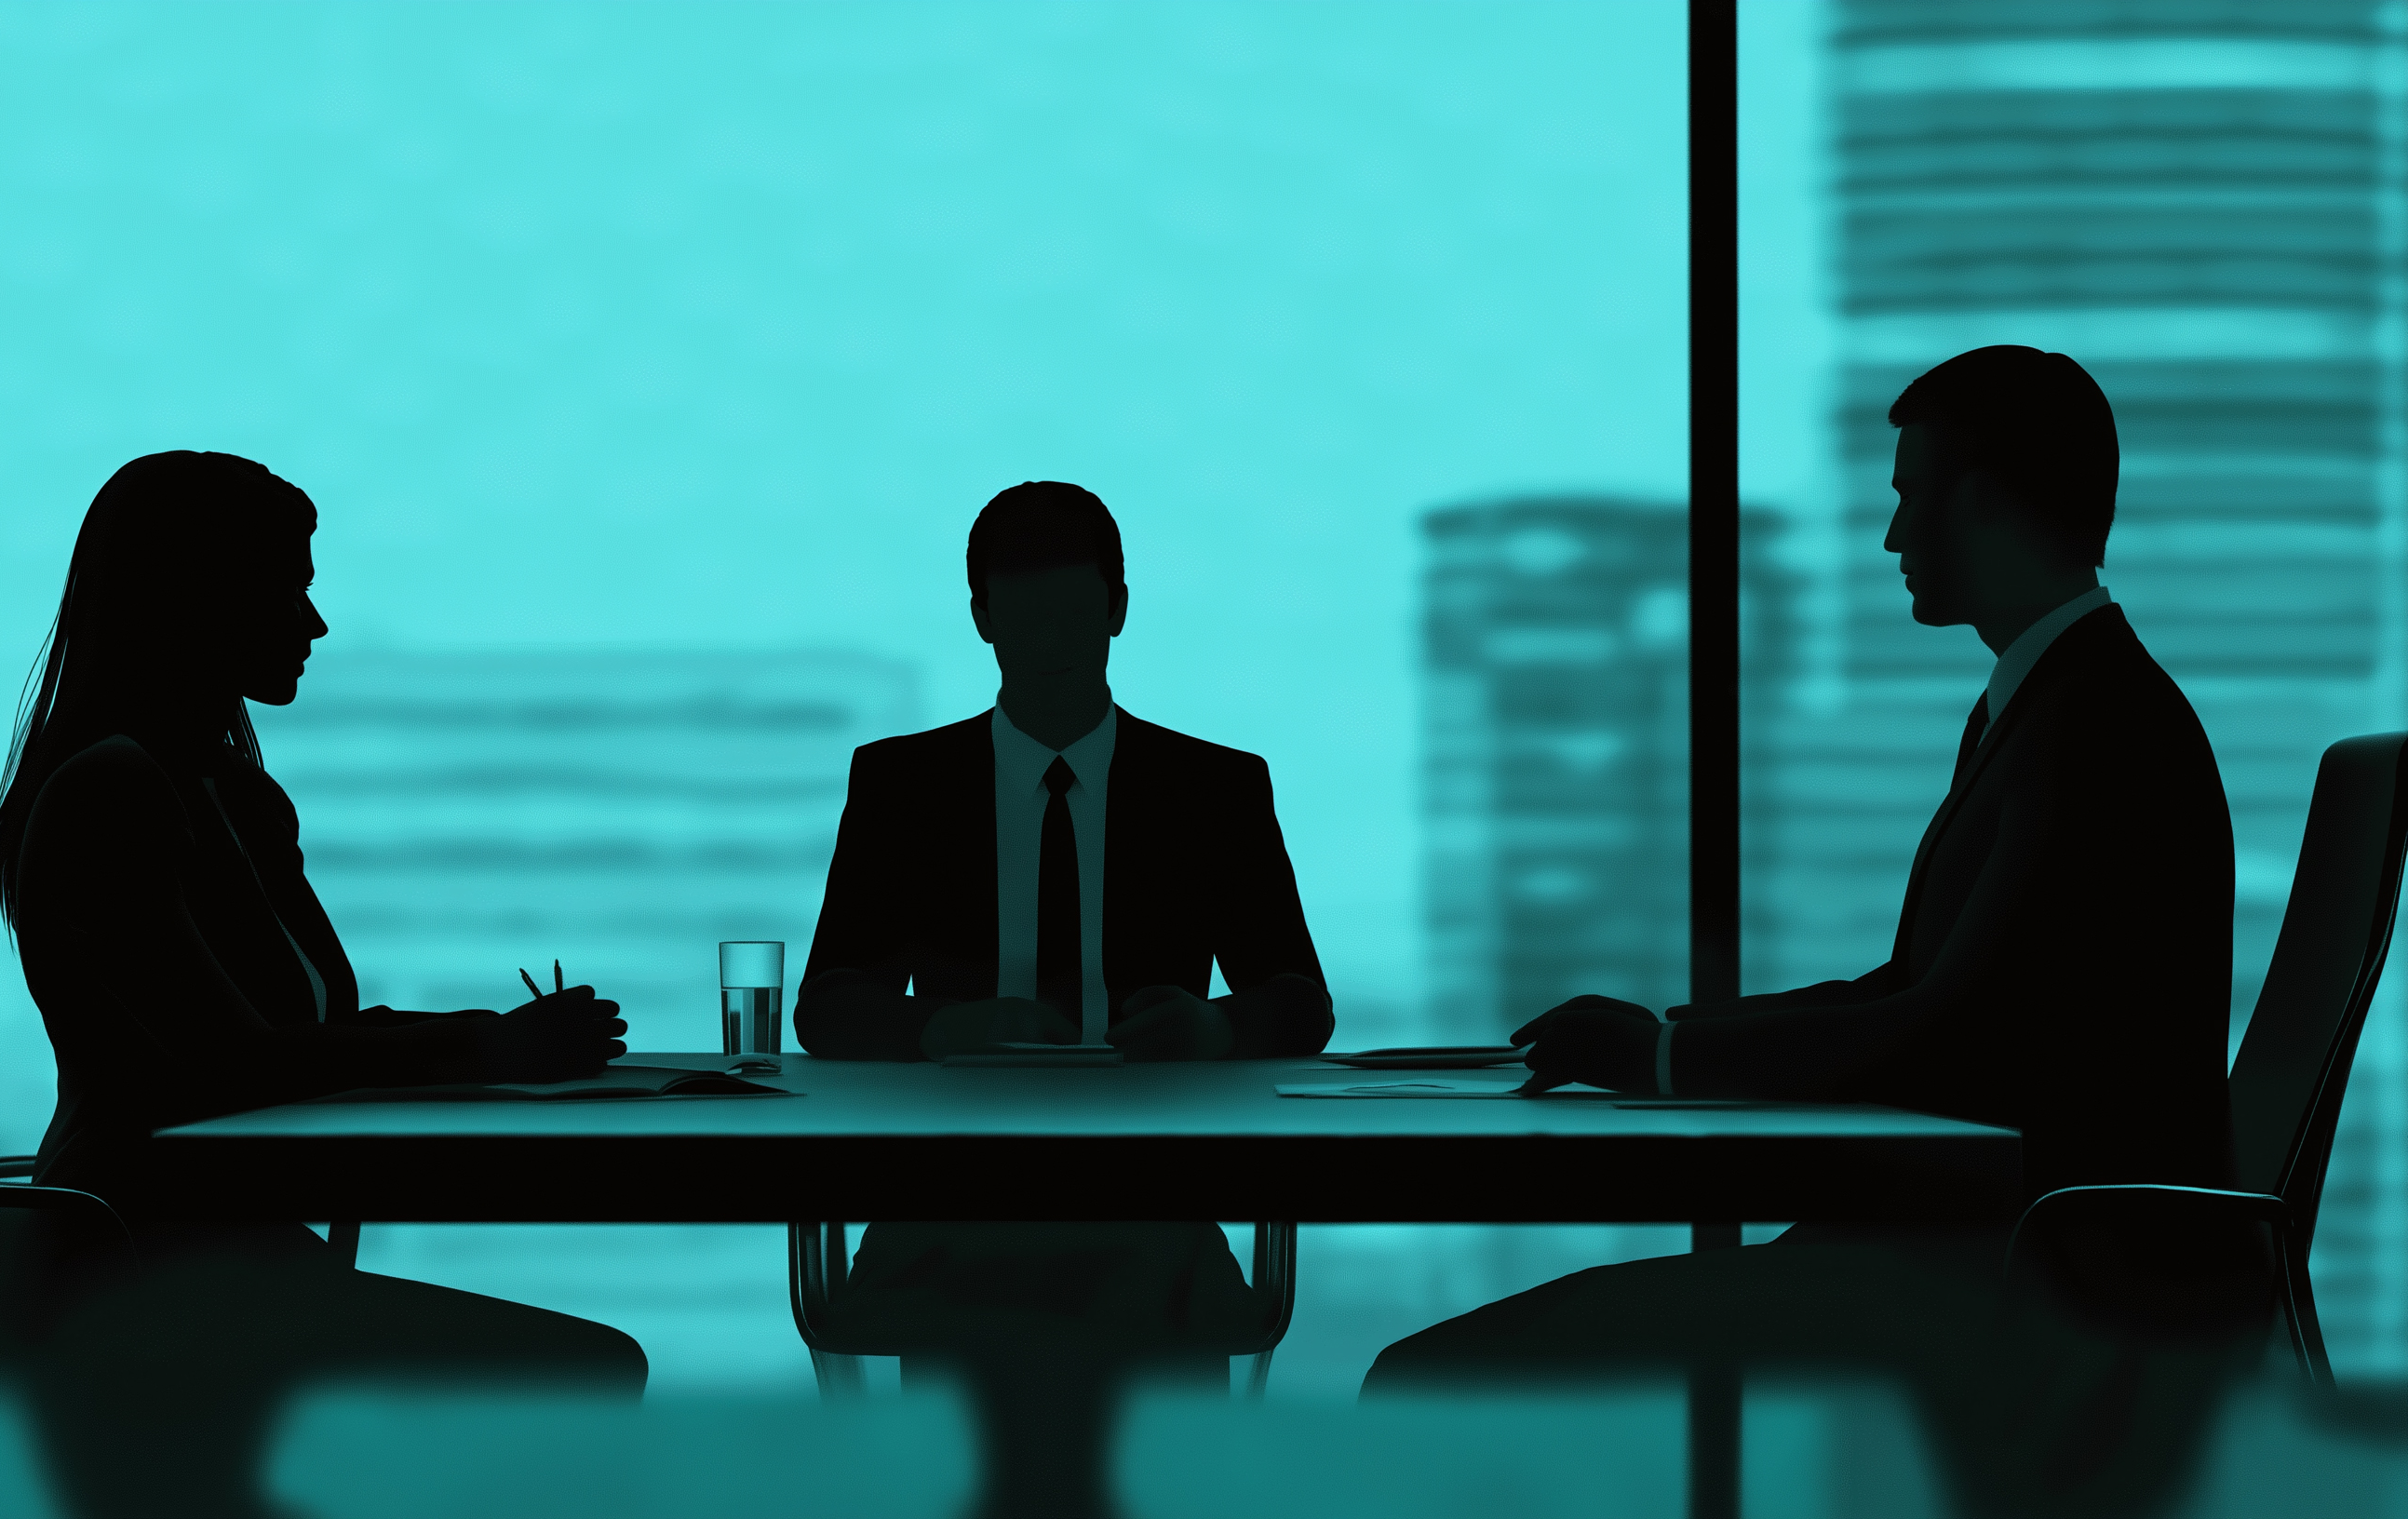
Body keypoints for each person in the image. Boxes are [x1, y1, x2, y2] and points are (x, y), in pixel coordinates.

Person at [1365, 348, 2240, 1449]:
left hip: (2024, 1270)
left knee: (1431, 1379)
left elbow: (1946, 1030)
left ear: (1977, 505)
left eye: (1908, 497)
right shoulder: (2062, 706)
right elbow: (1918, 991)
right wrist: (1671, 1038)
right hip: (1991, 1240)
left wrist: (1660, 1061)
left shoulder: (2093, 728)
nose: (1890, 537)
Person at [0, 450, 644, 1518]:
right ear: (190, 596)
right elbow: (228, 1065)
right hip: (132, 1265)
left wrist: (494, 1039)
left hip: (227, 1256)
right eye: (286, 587)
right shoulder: (110, 793)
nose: (313, 622)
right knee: (584, 1371)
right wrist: (481, 1050)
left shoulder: (233, 795)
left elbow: (308, 1033)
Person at [797, 480, 1331, 1517]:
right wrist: (940, 1027)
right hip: (950, 1204)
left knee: (1146, 1479)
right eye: (1025, 608)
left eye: (1071, 608)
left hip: (1149, 1200)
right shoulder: (902, 785)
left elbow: (1298, 998)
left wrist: (1216, 1027)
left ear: (1116, 609)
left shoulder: (1212, 789)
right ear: (981, 619)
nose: (1048, 634)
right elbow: (827, 1002)